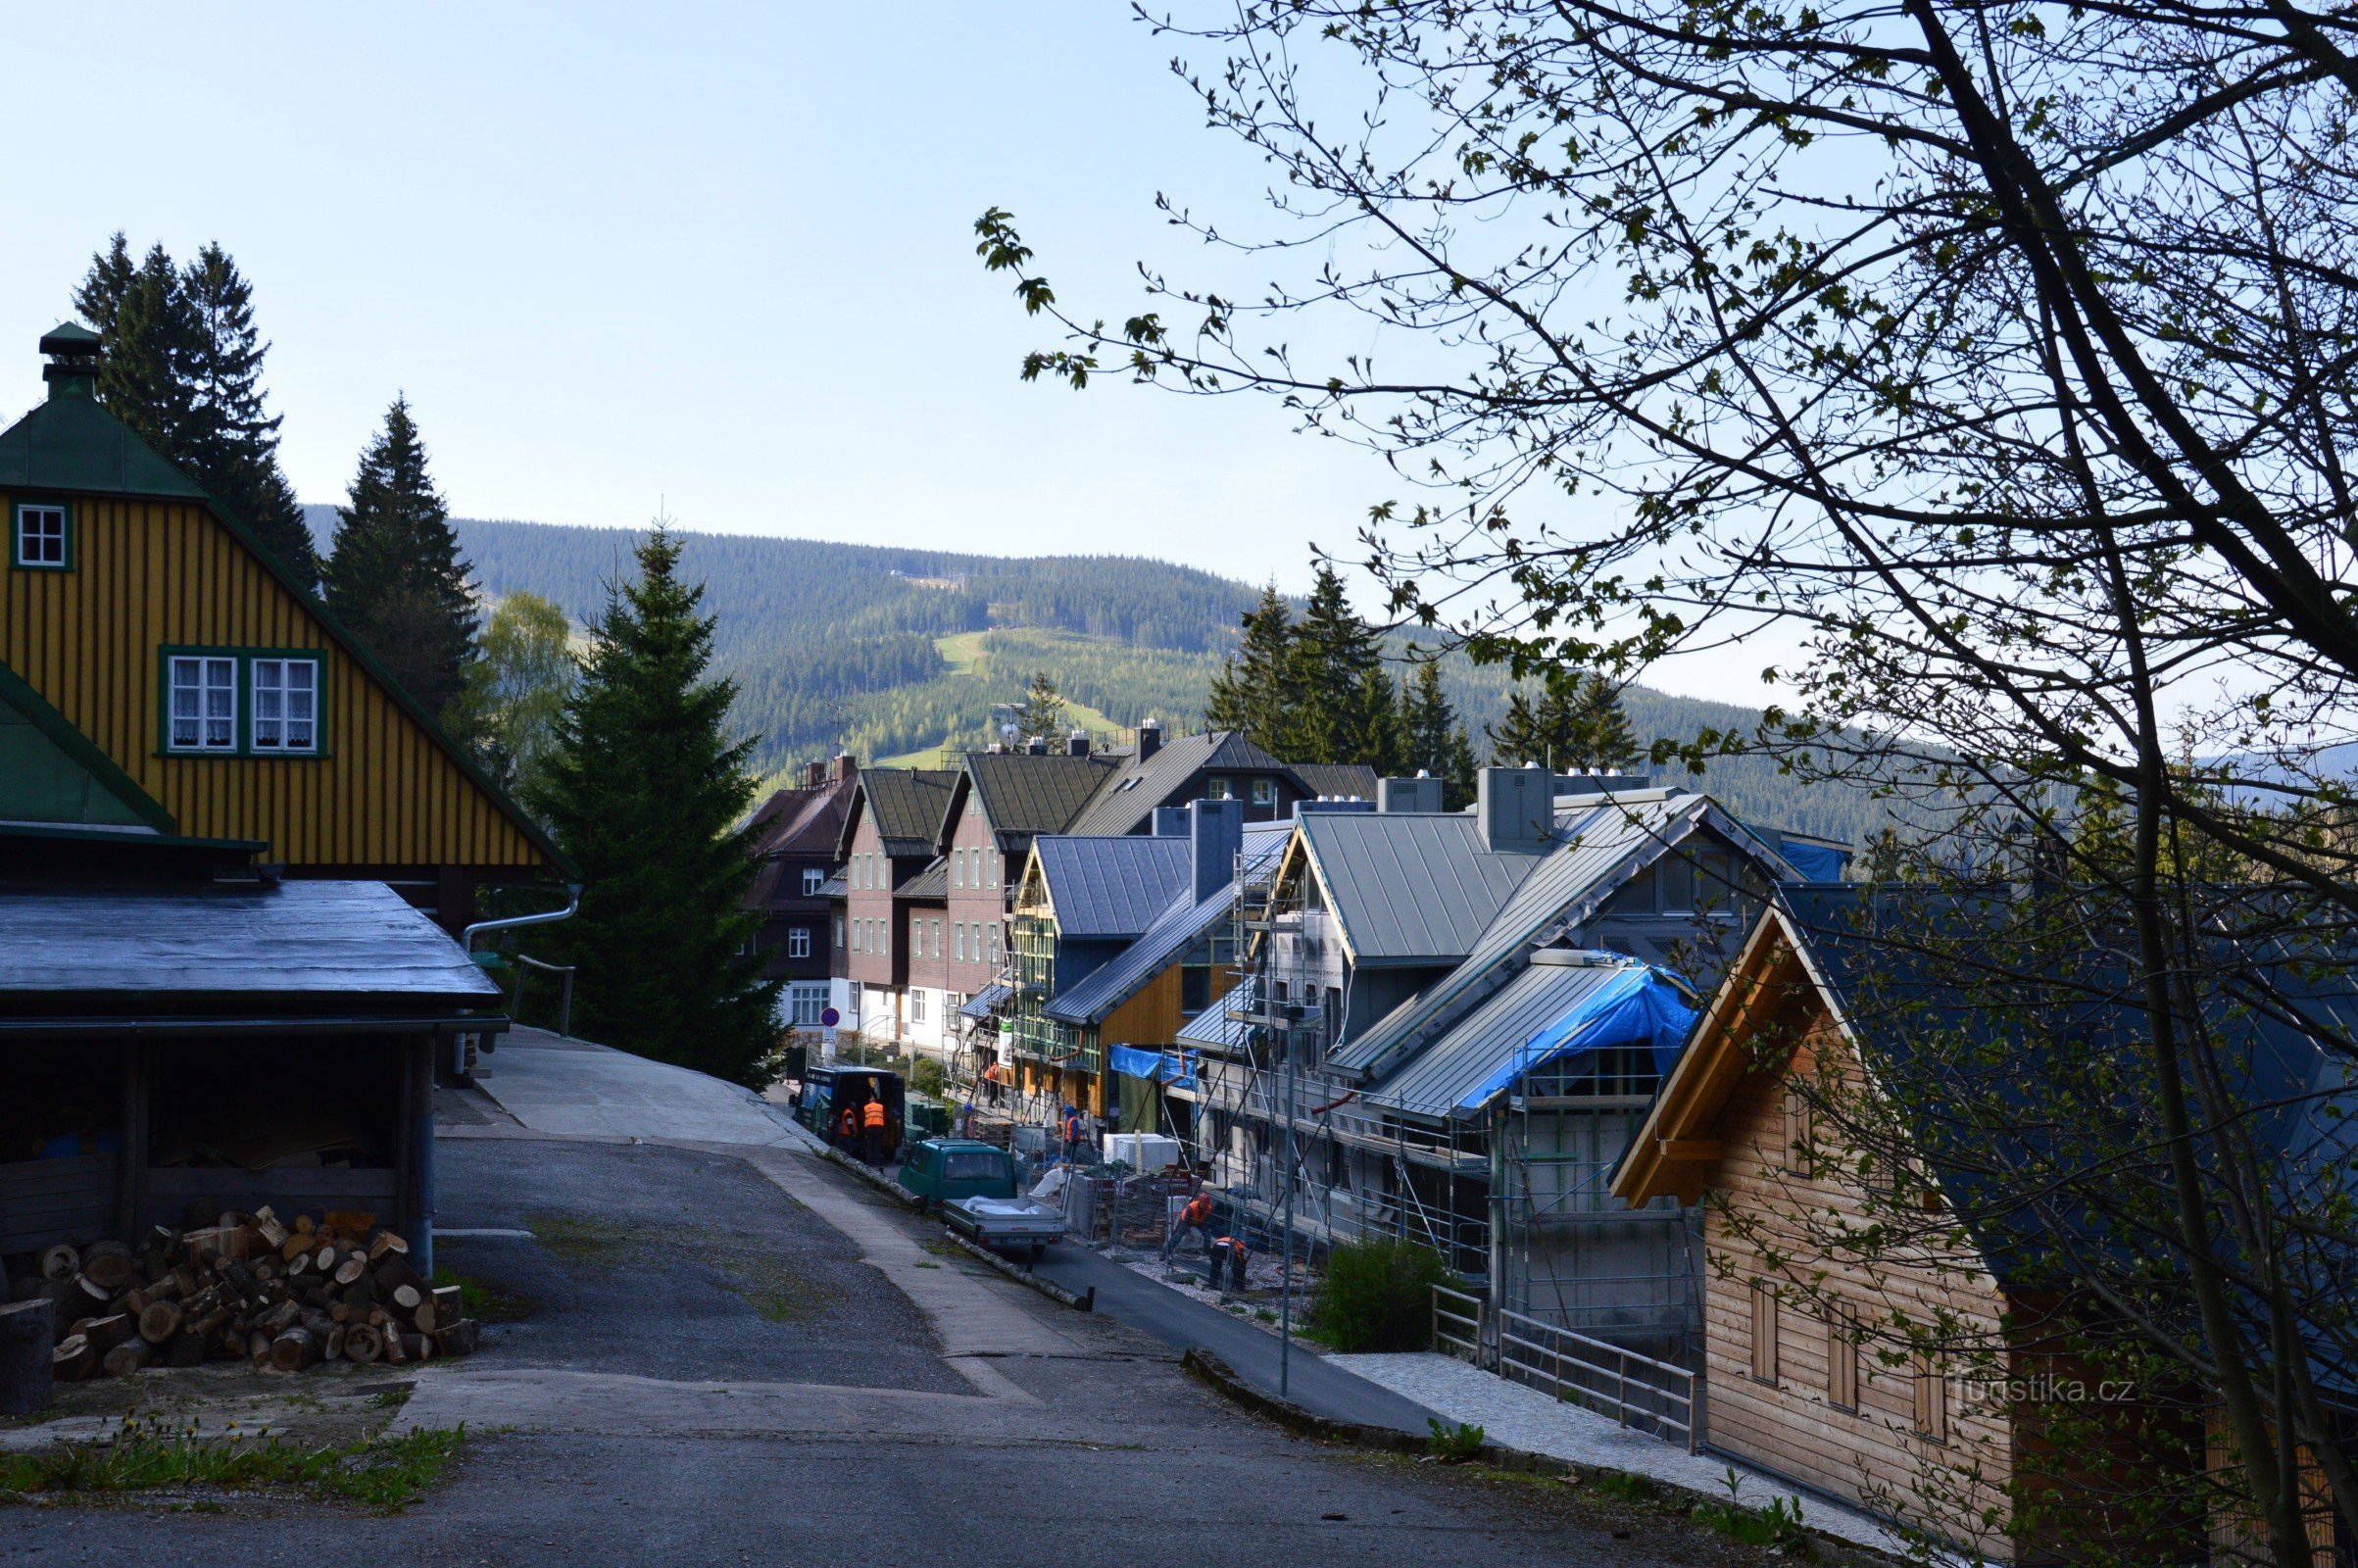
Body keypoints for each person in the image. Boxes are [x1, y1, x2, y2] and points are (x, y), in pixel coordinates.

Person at [1162, 1190, 1214, 1262]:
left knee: (1207, 1235)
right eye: (1203, 1203)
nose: (1205, 1205)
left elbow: (1207, 1221)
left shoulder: (1209, 1208)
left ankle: (1205, 1254)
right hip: (1184, 1221)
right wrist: (1190, 1230)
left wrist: (1204, 1230)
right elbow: (1185, 1223)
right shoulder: (1191, 1208)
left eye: (1206, 1203)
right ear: (1200, 1201)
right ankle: (1165, 1254)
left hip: (1199, 1222)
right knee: (1177, 1237)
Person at [861, 1094, 889, 1165]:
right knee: (877, 1145)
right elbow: (886, 1117)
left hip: (869, 1128)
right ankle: (876, 1161)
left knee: (869, 1145)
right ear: (876, 1101)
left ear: (870, 1101)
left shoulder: (866, 1107)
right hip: (879, 1128)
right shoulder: (881, 1107)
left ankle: (868, 1161)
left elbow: (862, 1118)